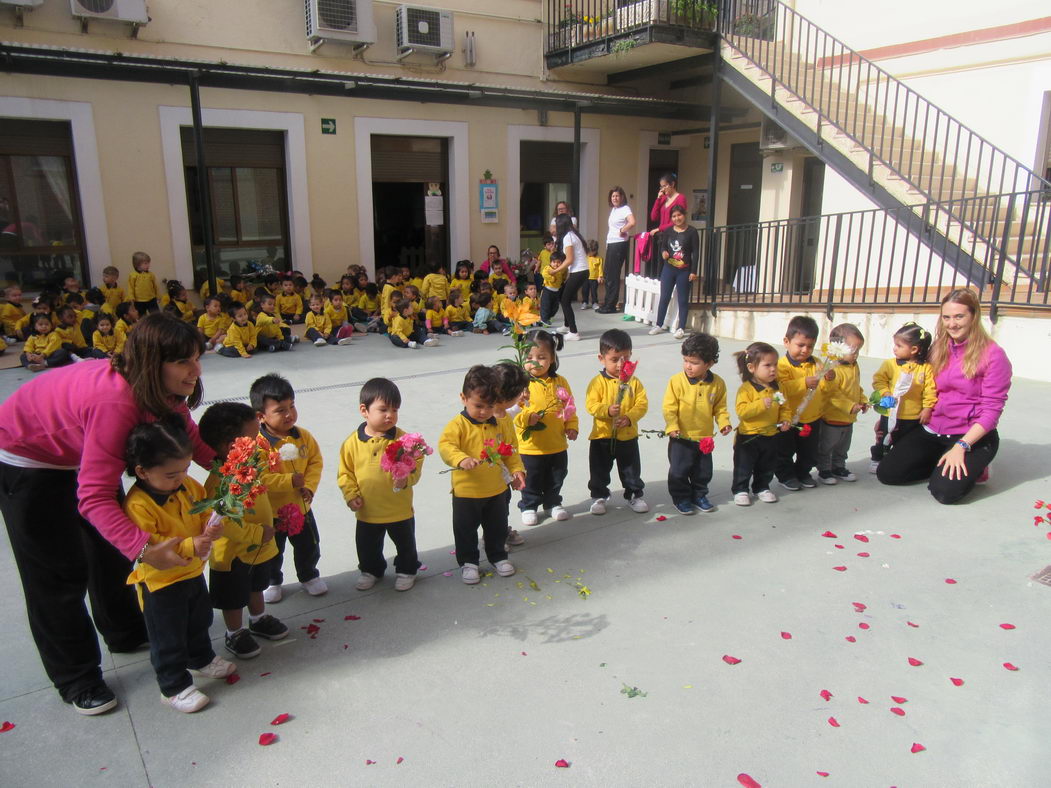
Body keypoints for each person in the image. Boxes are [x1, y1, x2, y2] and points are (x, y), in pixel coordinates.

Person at [0, 312, 214, 715]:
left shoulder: (162, 390)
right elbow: (94, 497)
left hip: (85, 453)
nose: (195, 370)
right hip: (28, 461)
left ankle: (125, 631)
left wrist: (236, 469)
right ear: (154, 363)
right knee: (58, 575)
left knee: (109, 551)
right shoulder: (115, 402)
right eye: (184, 361)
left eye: (197, 357)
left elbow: (188, 439)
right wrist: (145, 549)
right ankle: (76, 677)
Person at [122, 418, 236, 713]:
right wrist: (190, 545)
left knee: (198, 620)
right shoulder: (138, 505)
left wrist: (210, 527)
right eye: (172, 474)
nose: (181, 478)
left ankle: (200, 659)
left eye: (185, 469)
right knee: (167, 636)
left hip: (192, 572)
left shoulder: (186, 485)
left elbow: (203, 505)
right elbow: (153, 543)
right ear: (142, 471)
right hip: (160, 583)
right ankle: (172, 686)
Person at [877, 289, 1011, 504]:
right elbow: (921, 389)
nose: (952, 324)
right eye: (946, 317)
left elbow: (992, 411)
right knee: (889, 474)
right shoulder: (938, 347)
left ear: (974, 316)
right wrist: (890, 418)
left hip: (969, 435)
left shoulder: (994, 355)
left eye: (959, 316)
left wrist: (962, 447)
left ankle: (977, 466)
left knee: (945, 492)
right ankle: (943, 462)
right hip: (933, 428)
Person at [198, 402, 288, 660]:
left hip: (257, 546)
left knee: (256, 585)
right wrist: (257, 534)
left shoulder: (251, 467)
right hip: (233, 555)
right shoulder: (220, 483)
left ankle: (258, 618)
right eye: (252, 438)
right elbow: (223, 524)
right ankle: (234, 632)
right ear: (231, 448)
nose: (259, 443)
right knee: (233, 597)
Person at [438, 365, 526, 584]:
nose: (484, 412)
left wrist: (517, 470)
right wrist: (461, 458)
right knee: (465, 529)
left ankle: (498, 556)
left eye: (489, 406)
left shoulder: (500, 423)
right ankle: (469, 562)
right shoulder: (458, 425)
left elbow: (510, 450)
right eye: (478, 405)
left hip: (495, 489)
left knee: (496, 526)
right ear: (463, 398)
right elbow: (446, 446)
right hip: (467, 491)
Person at [338, 378, 424, 593]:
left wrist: (407, 478)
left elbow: (417, 462)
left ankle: (407, 570)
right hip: (368, 510)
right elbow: (345, 473)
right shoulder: (352, 443)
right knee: (367, 546)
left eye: (395, 410)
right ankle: (371, 570)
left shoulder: (404, 440)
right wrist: (350, 495)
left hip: (398, 508)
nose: (390, 415)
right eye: (383, 409)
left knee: (405, 544)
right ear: (364, 410)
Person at [253, 374, 327, 602]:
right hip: (273, 512)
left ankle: (309, 575)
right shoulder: (258, 444)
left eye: (292, 406)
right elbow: (259, 477)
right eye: (280, 410)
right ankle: (273, 580)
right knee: (274, 550)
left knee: (308, 545)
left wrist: (310, 487)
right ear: (261, 416)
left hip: (301, 507)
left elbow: (315, 462)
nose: (289, 414)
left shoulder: (303, 437)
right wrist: (288, 481)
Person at [514, 330, 579, 526]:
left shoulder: (560, 382)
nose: (535, 362)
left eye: (542, 357)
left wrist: (572, 425)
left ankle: (552, 503)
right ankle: (529, 505)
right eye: (530, 357)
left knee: (557, 475)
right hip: (530, 446)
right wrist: (527, 418)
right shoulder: (521, 384)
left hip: (557, 443)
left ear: (552, 358)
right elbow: (513, 413)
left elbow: (569, 407)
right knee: (531, 478)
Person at [662, 333, 732, 514]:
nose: (688, 366)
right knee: (679, 471)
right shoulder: (676, 381)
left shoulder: (717, 384)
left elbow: (720, 407)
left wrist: (724, 422)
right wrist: (672, 426)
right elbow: (669, 407)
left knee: (703, 472)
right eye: (685, 360)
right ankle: (681, 498)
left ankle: (699, 495)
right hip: (681, 437)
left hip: (704, 438)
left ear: (709, 363)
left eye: (694, 362)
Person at [585, 329, 649, 515]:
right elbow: (591, 404)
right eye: (614, 359)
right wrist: (606, 410)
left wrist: (629, 418)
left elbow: (642, 404)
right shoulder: (597, 382)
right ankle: (599, 496)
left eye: (626, 358)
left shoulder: (634, 382)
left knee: (630, 469)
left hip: (627, 436)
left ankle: (633, 495)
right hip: (602, 436)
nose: (621, 364)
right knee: (599, 470)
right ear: (601, 358)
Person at [869, 322, 936, 474]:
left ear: (914, 349)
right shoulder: (890, 364)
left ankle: (896, 460)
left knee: (904, 442)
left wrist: (927, 408)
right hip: (890, 411)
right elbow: (879, 380)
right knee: (883, 436)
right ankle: (877, 458)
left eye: (899, 345)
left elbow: (930, 390)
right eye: (895, 344)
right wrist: (885, 392)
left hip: (912, 416)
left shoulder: (925, 368)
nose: (894, 348)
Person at [775, 316, 832, 491]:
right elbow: (780, 390)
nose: (805, 350)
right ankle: (786, 475)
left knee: (809, 451)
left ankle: (803, 472)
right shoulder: (781, 366)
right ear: (787, 341)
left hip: (812, 416)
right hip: (788, 417)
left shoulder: (816, 363)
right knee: (784, 450)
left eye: (810, 346)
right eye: (800, 345)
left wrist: (829, 378)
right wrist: (803, 383)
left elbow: (825, 387)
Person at [733, 342, 792, 506]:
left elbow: (784, 406)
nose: (773, 369)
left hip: (771, 434)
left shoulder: (777, 388)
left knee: (767, 464)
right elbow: (742, 411)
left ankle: (762, 487)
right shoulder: (746, 389)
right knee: (743, 466)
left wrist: (785, 419)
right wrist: (760, 404)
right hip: (749, 436)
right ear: (751, 367)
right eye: (767, 365)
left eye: (775, 365)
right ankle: (740, 489)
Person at [817, 324, 869, 485]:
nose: (856, 355)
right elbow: (831, 394)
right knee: (827, 446)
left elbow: (856, 386)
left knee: (843, 447)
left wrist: (862, 400)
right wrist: (849, 406)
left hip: (848, 418)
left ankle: (839, 466)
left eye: (859, 350)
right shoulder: (831, 368)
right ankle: (824, 470)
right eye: (853, 350)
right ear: (836, 347)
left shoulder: (854, 366)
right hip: (832, 418)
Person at [492, 362, 532, 550]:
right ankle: (492, 536)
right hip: (491, 472)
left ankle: (500, 531)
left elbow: (512, 411)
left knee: (502, 504)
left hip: (505, 472)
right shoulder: (488, 416)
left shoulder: (502, 411)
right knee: (492, 507)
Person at [649, 204, 699, 339]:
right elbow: (663, 246)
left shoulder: (692, 232)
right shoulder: (668, 231)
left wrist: (693, 271)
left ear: (684, 215)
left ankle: (681, 327)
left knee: (682, 300)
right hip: (668, 269)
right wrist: (664, 252)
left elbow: (696, 252)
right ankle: (659, 324)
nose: (677, 218)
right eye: (674, 216)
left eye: (679, 215)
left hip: (684, 270)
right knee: (664, 297)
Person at [598, 187, 635, 313]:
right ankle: (607, 302)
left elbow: (632, 222)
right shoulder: (614, 210)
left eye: (617, 196)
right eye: (613, 196)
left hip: (619, 244)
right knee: (608, 274)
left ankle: (611, 305)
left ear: (622, 197)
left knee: (613, 275)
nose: (615, 198)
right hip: (611, 243)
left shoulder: (625, 209)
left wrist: (622, 230)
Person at [552, 213, 589, 341]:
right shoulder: (573, 235)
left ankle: (573, 332)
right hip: (580, 271)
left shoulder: (568, 237)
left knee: (565, 300)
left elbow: (569, 260)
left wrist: (555, 271)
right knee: (563, 296)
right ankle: (567, 325)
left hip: (579, 271)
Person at [646, 172, 687, 278]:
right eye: (661, 186)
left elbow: (677, 220)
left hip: (674, 235)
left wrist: (659, 228)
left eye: (665, 186)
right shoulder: (664, 199)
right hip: (662, 237)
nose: (663, 189)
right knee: (660, 265)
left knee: (671, 264)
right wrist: (658, 199)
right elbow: (653, 217)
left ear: (672, 184)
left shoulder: (680, 198)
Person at [582, 240, 603, 310]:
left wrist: (600, 276)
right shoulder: (585, 257)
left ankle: (594, 302)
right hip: (585, 277)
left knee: (594, 291)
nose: (590, 253)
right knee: (585, 290)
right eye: (589, 251)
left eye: (592, 251)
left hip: (594, 278)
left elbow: (600, 268)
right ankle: (585, 302)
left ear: (595, 251)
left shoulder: (599, 259)